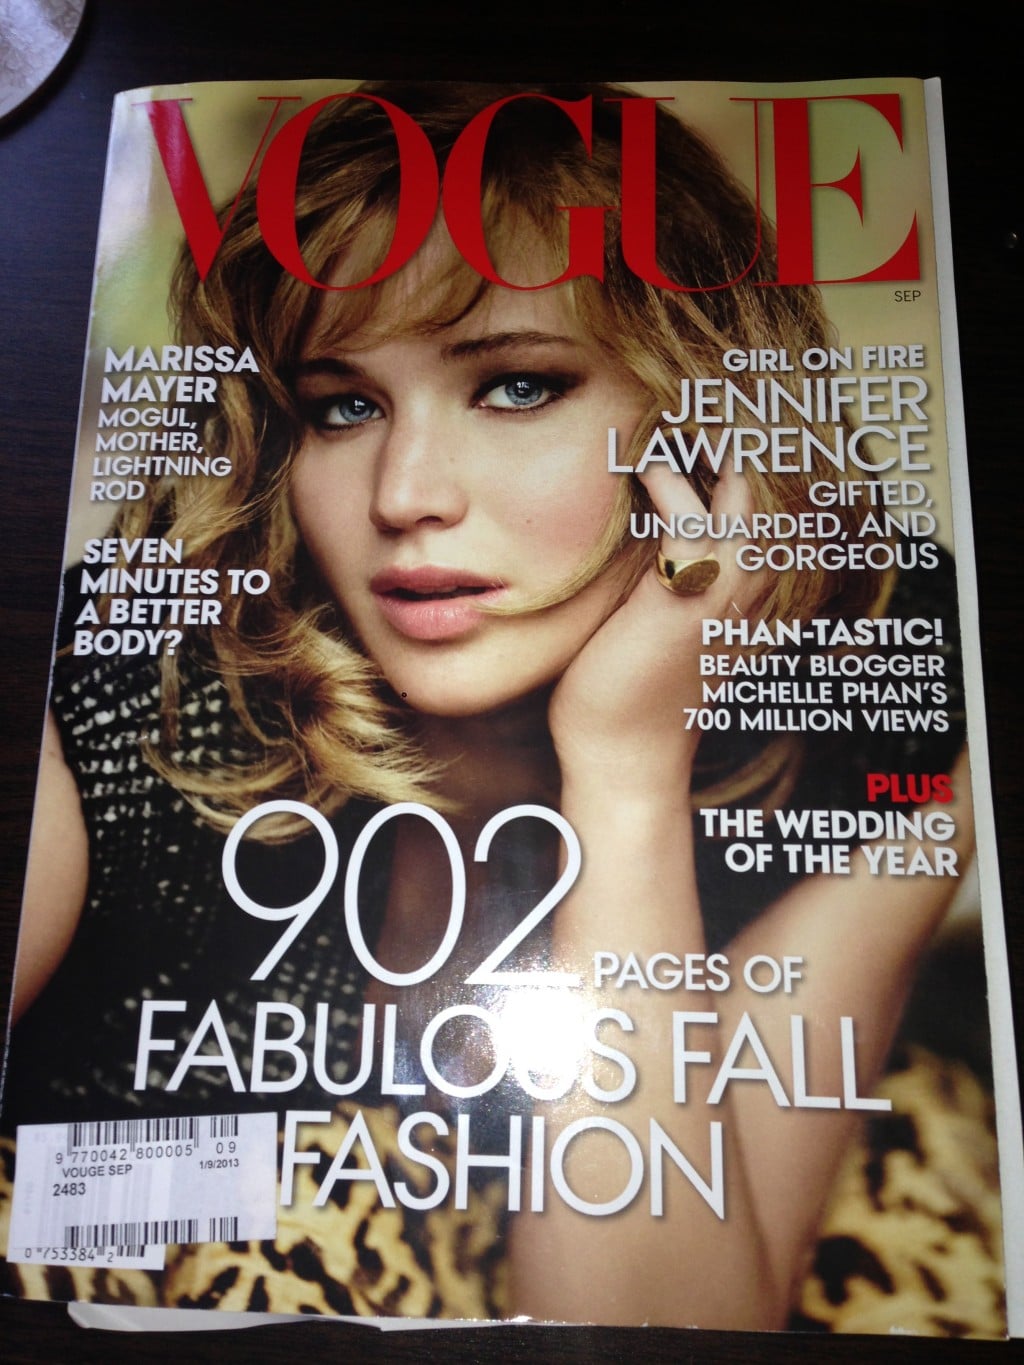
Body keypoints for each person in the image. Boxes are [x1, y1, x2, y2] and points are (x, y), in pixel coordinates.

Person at [5, 82, 973, 1328]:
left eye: (516, 387)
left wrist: (626, 769)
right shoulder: (121, 685)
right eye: (342, 405)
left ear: (709, 420)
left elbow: (664, 1333)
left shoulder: (871, 664)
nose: (406, 493)